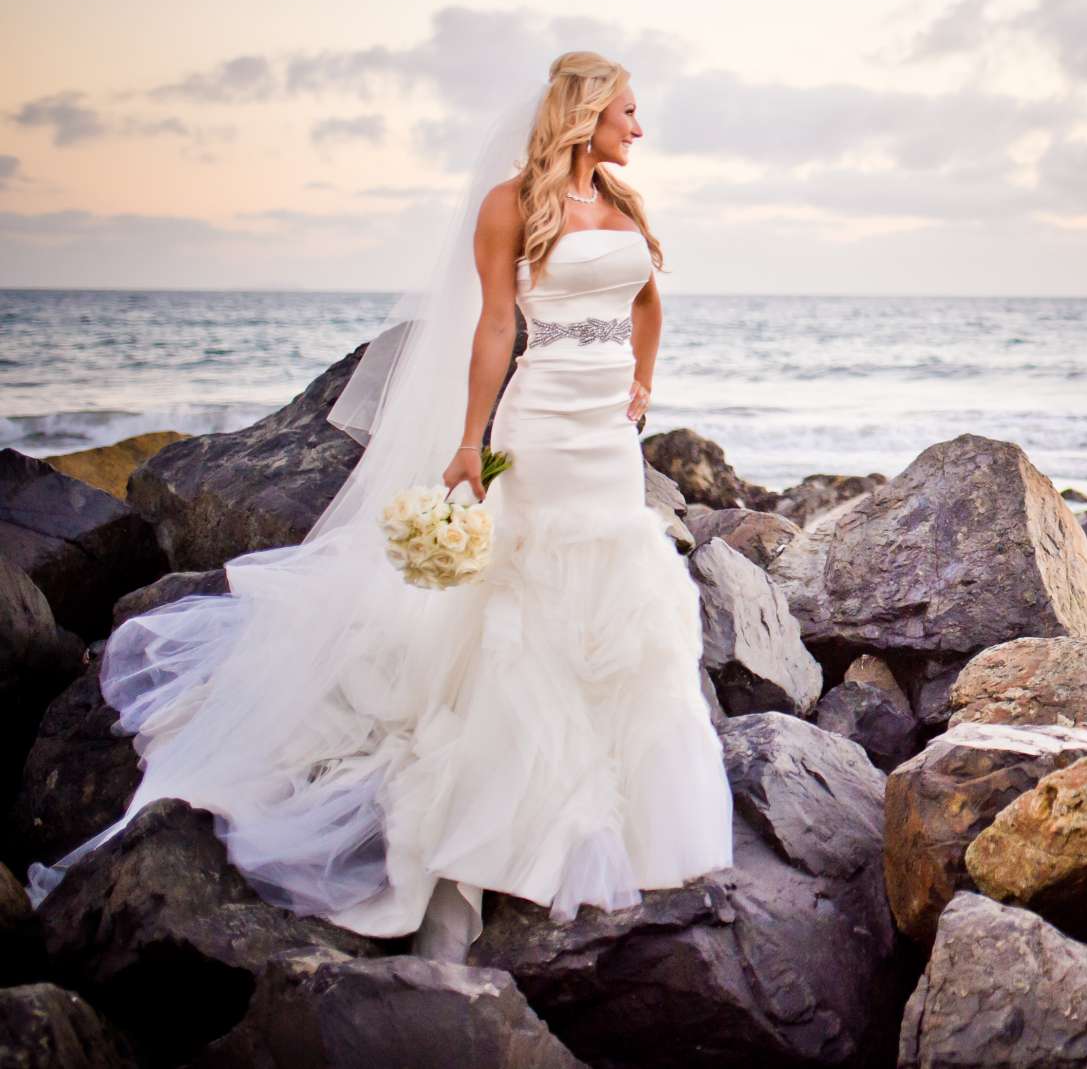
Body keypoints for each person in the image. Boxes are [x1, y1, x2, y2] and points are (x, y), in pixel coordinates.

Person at [27, 52, 734, 961]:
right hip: (544, 425)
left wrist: (642, 379)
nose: (639, 127)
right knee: (531, 596)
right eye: (628, 111)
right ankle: (511, 806)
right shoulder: (511, 204)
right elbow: (492, 326)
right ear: (586, 112)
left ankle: (632, 801)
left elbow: (647, 302)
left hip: (606, 436)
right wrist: (474, 442)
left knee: (621, 592)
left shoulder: (628, 207)